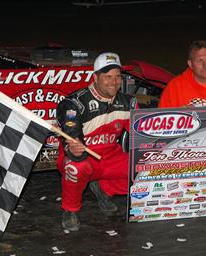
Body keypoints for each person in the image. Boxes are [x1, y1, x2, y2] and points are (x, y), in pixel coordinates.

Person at [56, 52, 137, 231]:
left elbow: (142, 132)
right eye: (108, 77)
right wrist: (74, 147)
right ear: (95, 77)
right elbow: (71, 131)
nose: (114, 82)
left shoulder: (128, 102)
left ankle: (103, 189)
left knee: (143, 167)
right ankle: (70, 210)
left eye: (117, 76)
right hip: (83, 156)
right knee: (76, 167)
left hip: (109, 156)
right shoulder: (75, 103)